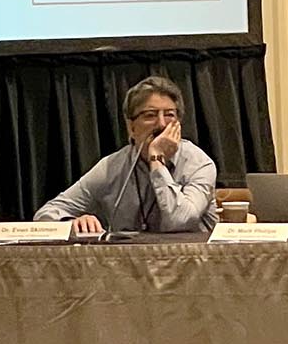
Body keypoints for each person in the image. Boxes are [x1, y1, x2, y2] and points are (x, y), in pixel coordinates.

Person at [34, 75, 218, 234]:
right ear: (131, 127)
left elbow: (180, 221)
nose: (162, 124)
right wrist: (71, 224)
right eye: (150, 115)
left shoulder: (199, 164)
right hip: (129, 267)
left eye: (169, 115)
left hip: (193, 266)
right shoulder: (111, 167)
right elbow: (45, 215)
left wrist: (157, 160)